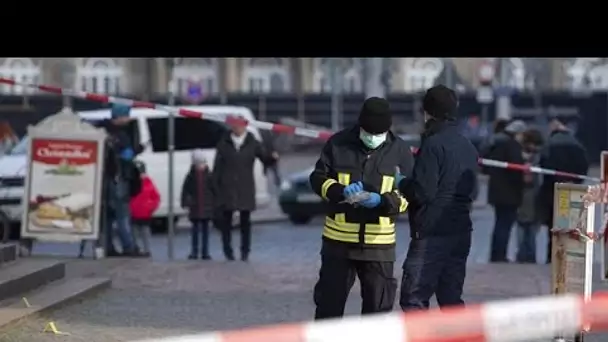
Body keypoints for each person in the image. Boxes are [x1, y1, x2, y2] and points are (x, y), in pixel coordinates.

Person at [309, 97, 413, 320]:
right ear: (360, 126)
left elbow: (411, 194)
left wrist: (382, 201)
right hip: (338, 244)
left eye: (379, 134)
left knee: (377, 314)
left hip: (379, 246)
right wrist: (339, 190)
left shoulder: (401, 151)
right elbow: (318, 179)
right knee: (328, 310)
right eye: (368, 133)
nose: (373, 138)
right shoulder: (338, 144)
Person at [396, 85, 478, 311]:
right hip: (461, 232)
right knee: (451, 301)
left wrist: (400, 182)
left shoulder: (432, 145)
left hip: (432, 234)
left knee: (413, 299)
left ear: (427, 112)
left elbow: (423, 192)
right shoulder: (467, 145)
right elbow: (473, 192)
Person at [212, 120, 278, 261]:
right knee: (226, 222)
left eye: (240, 126)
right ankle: (228, 251)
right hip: (227, 187)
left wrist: (272, 158)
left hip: (245, 187)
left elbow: (264, 158)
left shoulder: (252, 143)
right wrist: (216, 189)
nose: (237, 128)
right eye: (234, 126)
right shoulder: (224, 143)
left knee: (245, 221)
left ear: (245, 127)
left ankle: (245, 251)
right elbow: (217, 168)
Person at [537, 118, 588, 264]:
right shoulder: (577, 145)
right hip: (572, 189)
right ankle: (567, 255)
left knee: (553, 224)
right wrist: (576, 182)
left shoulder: (549, 145)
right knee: (568, 224)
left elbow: (544, 165)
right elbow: (583, 167)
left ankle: (551, 256)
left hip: (552, 189)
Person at [99, 104, 144, 257]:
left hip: (106, 179)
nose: (129, 119)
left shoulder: (103, 131)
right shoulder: (119, 135)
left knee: (108, 216)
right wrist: (136, 150)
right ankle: (129, 246)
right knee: (122, 214)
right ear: (119, 117)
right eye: (126, 115)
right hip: (118, 178)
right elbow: (125, 156)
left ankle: (108, 246)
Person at [486, 119, 526, 263]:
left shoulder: (494, 143)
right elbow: (517, 168)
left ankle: (495, 254)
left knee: (499, 223)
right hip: (509, 192)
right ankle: (500, 256)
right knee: (505, 224)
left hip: (496, 191)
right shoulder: (512, 145)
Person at [515, 128, 544, 264]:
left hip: (524, 194)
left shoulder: (521, 156)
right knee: (531, 227)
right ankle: (529, 255)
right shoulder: (540, 156)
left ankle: (522, 254)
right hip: (535, 195)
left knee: (523, 226)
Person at [181, 150, 215, 260]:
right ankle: (195, 251)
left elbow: (215, 190)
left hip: (206, 207)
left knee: (205, 232)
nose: (200, 166)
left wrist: (216, 203)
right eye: (198, 164)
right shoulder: (191, 176)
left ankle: (205, 252)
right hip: (195, 207)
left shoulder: (209, 176)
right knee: (195, 232)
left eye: (202, 163)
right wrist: (185, 202)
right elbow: (185, 190)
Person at [129, 160, 160, 258]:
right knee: (134, 232)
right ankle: (136, 249)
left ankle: (147, 250)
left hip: (145, 214)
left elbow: (156, 197)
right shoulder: (132, 182)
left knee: (145, 232)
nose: (141, 175)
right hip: (134, 213)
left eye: (142, 172)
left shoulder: (148, 182)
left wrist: (151, 207)